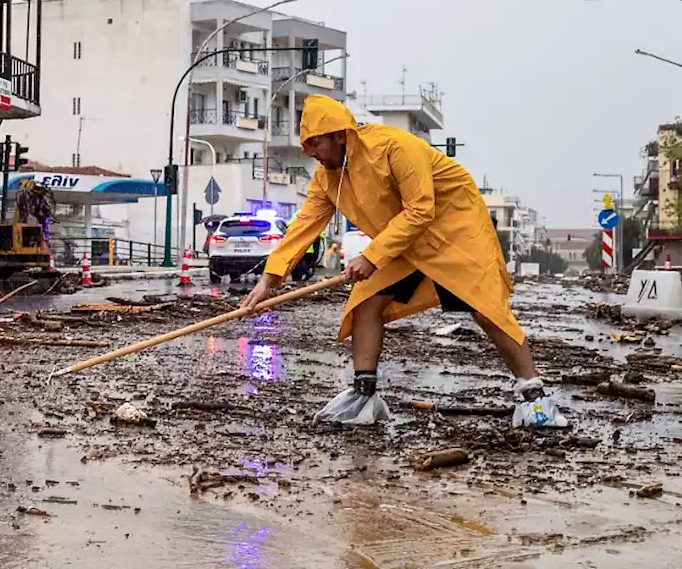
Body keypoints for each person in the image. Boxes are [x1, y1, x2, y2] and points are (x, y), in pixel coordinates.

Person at [239, 95, 563, 428]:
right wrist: (269, 280)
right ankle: (364, 396)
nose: (309, 152)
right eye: (305, 144)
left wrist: (373, 256)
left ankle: (535, 398)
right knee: (365, 302)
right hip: (403, 239)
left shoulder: (395, 147)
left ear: (341, 134)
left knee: (484, 307)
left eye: (315, 142)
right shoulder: (327, 178)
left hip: (454, 230)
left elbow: (422, 209)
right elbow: (303, 226)